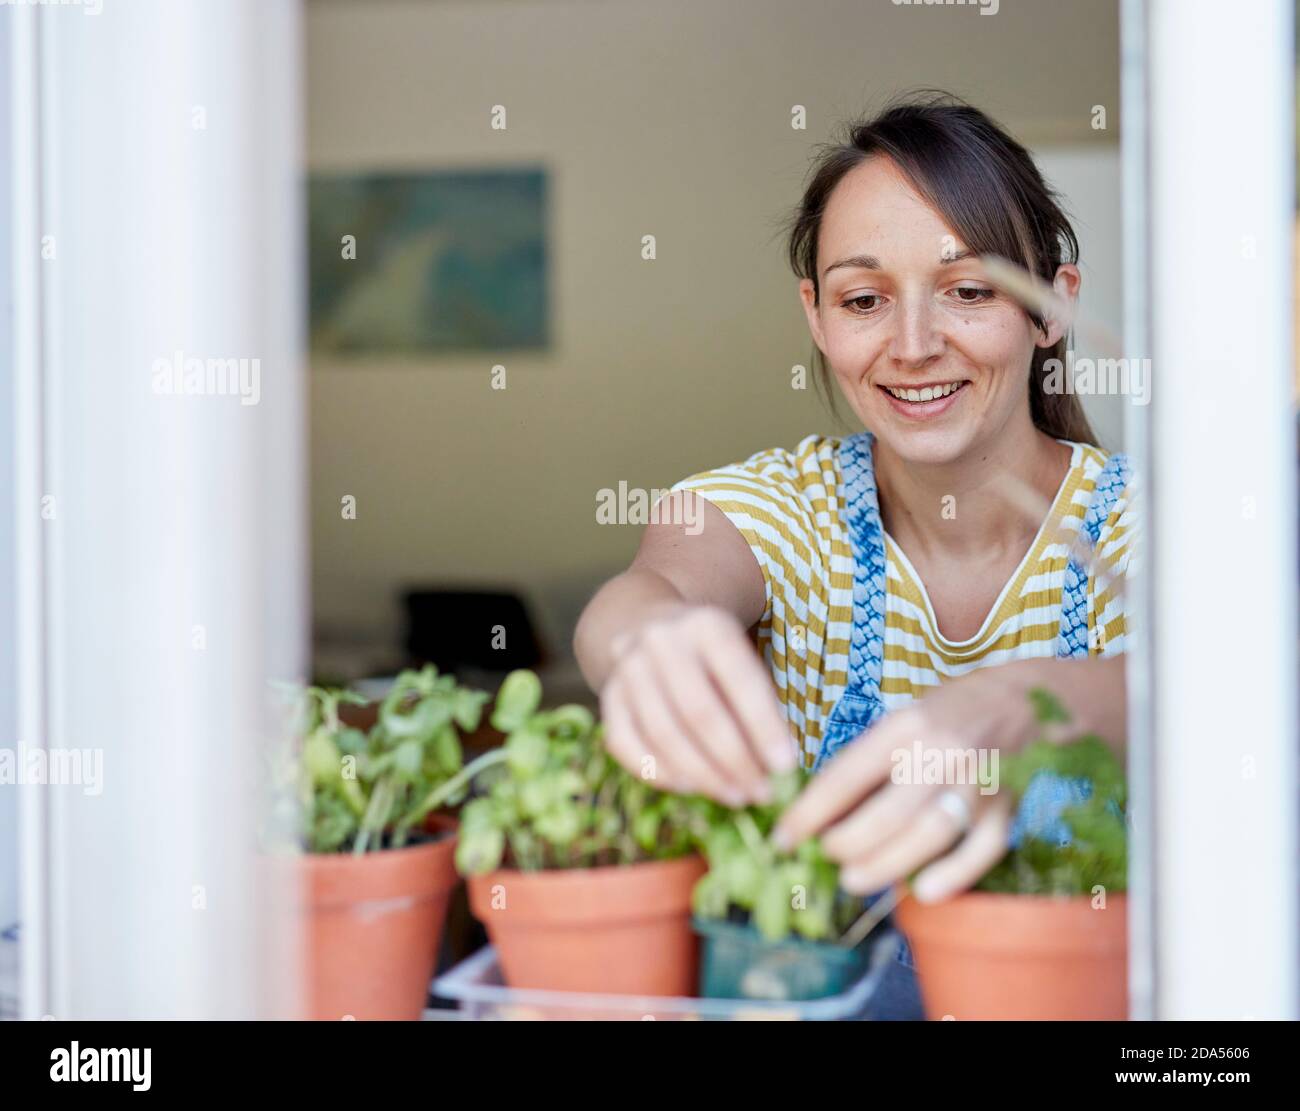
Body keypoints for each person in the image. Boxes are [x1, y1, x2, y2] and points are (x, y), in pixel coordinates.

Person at [574, 93, 1135, 1018]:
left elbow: (1219, 686)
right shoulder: (779, 511)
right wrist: (641, 639)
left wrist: (1019, 707)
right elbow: (658, 586)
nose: (913, 347)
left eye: (969, 289)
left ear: (1052, 307)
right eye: (865, 300)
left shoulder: (1152, 531)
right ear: (818, 316)